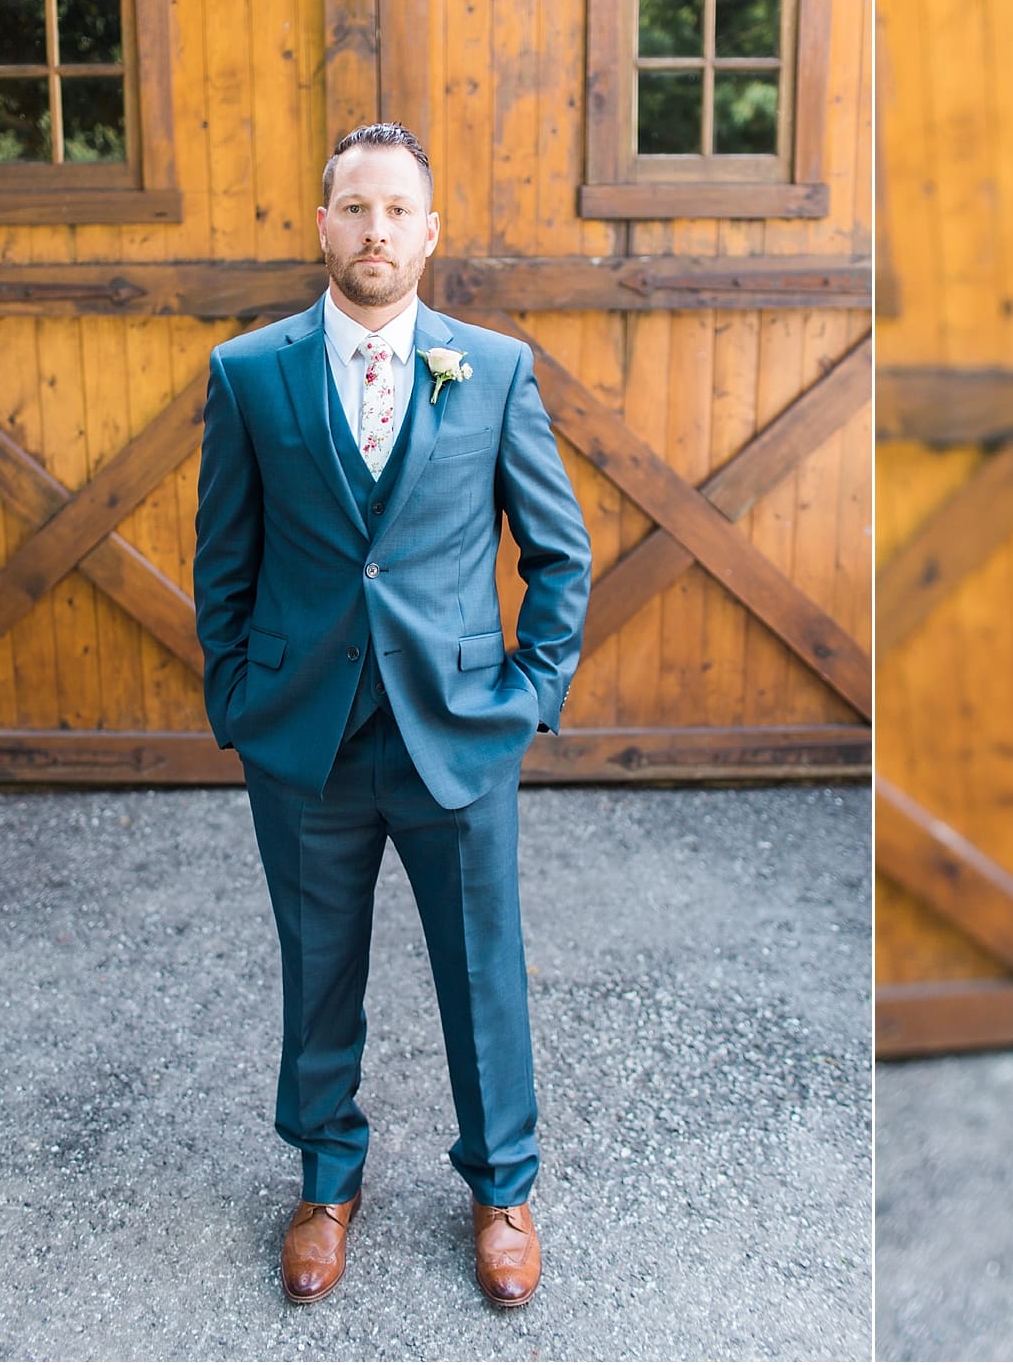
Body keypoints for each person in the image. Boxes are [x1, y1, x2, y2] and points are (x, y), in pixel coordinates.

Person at [194, 122, 591, 1308]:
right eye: (354, 208)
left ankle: (502, 1185)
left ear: (429, 230)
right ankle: (325, 1178)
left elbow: (558, 554)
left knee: (485, 972)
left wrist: (528, 695)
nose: (375, 231)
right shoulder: (250, 372)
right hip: (304, 732)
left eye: (396, 212)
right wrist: (236, 698)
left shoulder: (495, 368)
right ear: (323, 224)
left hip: (456, 729)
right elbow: (224, 559)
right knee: (316, 968)